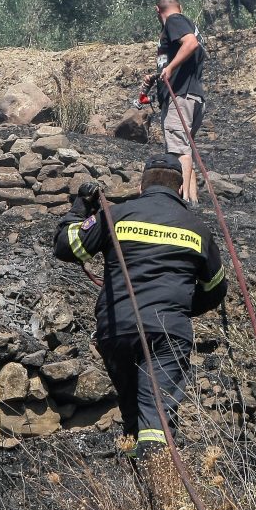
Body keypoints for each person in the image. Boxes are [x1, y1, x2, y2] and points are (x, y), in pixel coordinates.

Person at [52, 154, 227, 458]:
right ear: (180, 188)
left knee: (133, 411)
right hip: (168, 332)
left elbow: (66, 246)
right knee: (156, 415)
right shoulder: (197, 228)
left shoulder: (116, 215)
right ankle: (160, 478)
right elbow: (216, 288)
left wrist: (81, 207)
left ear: (141, 186)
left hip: (117, 328)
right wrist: (180, 307)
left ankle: (138, 470)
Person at [140, 0, 207, 205]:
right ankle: (193, 201)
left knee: (178, 152)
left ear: (157, 10)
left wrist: (169, 68)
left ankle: (181, 202)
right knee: (185, 149)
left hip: (180, 97)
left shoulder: (174, 21)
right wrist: (158, 75)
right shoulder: (186, 23)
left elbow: (190, 44)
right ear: (180, 5)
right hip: (193, 97)